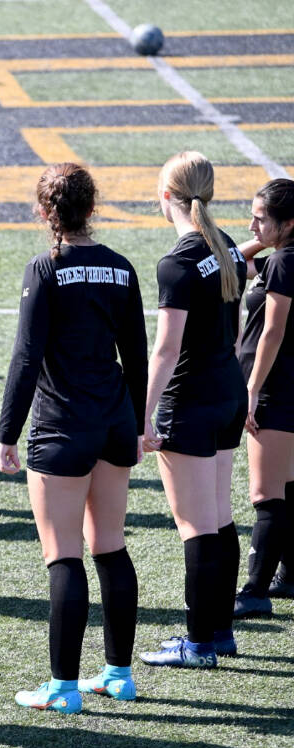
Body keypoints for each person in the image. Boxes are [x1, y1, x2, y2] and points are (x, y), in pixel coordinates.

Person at [0, 163, 146, 713]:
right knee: (111, 546)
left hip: (62, 428)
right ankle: (118, 675)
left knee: (63, 556)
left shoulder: (46, 267)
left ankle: (62, 689)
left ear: (45, 212)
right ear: (92, 206)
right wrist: (138, 422)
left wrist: (6, 433)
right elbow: (136, 354)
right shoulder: (121, 267)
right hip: (114, 421)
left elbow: (26, 356)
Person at [136, 152, 247, 669]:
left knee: (195, 525)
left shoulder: (176, 265)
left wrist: (143, 411)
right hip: (228, 394)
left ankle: (200, 643)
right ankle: (218, 632)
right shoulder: (225, 245)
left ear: (166, 197)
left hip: (193, 404)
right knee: (220, 518)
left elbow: (166, 350)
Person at [235, 178, 294, 616]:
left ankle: (254, 592)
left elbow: (272, 331)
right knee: (286, 488)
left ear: (289, 223)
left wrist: (252, 390)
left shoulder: (284, 264)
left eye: (260, 217)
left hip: (275, 388)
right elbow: (232, 261)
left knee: (266, 494)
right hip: (285, 384)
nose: (252, 224)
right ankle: (289, 575)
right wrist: (264, 236)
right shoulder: (282, 258)